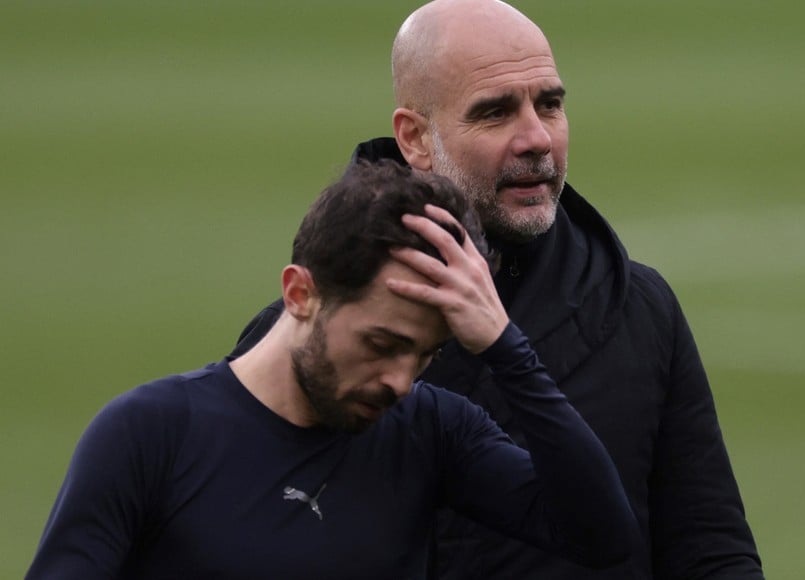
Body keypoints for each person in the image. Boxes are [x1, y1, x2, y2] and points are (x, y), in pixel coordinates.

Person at [231, 1, 765, 579]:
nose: (536, 138)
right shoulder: (306, 340)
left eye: (551, 105)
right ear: (414, 138)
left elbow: (711, 550)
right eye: (495, 112)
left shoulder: (637, 308)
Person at [25, 160, 638, 579]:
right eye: (382, 342)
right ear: (300, 294)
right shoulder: (149, 435)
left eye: (425, 356)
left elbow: (601, 535)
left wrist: (506, 346)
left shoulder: (433, 432)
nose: (400, 381)